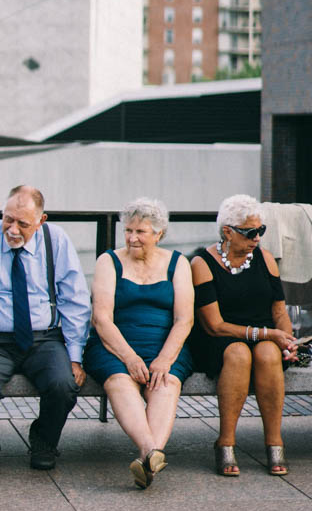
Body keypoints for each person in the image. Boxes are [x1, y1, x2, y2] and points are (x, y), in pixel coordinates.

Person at [0, 184, 90, 472]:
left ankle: (44, 439)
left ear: (41, 221)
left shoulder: (56, 240)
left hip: (44, 339)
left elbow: (74, 300)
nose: (12, 229)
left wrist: (75, 355)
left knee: (64, 386)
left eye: (22, 224)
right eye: (7, 219)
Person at [83, 198, 193, 488]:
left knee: (165, 382)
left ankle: (147, 462)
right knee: (119, 380)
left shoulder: (178, 263)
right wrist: (130, 358)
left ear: (158, 234)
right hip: (115, 345)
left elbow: (184, 320)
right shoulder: (109, 261)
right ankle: (150, 451)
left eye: (140, 232)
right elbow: (102, 319)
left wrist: (165, 359)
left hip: (164, 345)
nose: (132, 238)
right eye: (128, 230)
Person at [191, 194, 297, 477]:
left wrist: (286, 340)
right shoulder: (201, 263)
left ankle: (275, 442)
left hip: (265, 336)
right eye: (250, 232)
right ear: (227, 231)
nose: (257, 238)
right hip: (220, 338)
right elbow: (213, 325)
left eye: (261, 231)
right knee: (238, 353)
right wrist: (267, 333)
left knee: (268, 352)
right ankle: (225, 442)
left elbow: (279, 312)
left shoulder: (264, 259)